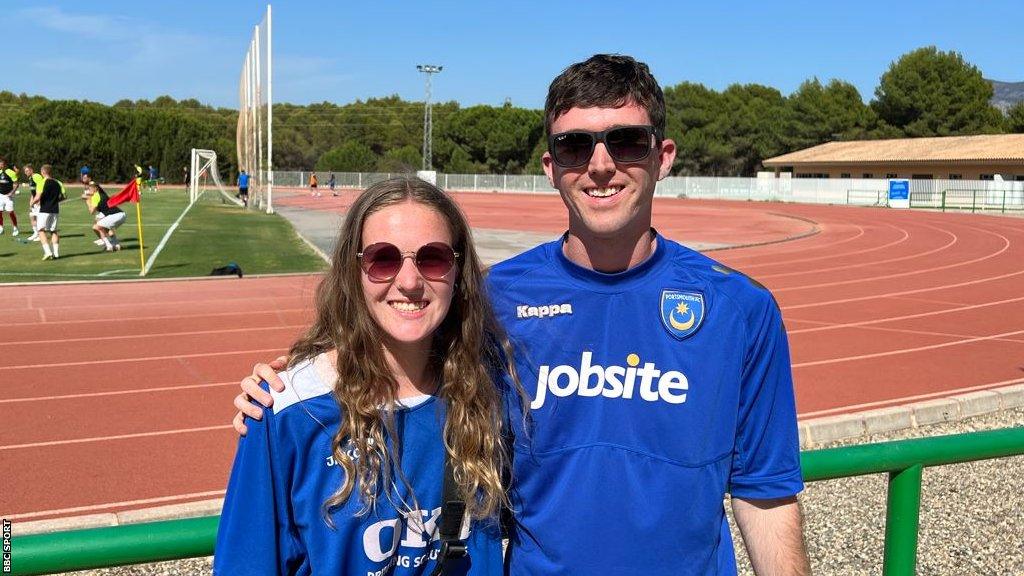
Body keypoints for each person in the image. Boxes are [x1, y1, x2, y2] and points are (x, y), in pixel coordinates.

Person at [234, 55, 809, 575]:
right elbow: (397, 335)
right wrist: (285, 386)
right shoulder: (492, 300)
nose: (601, 165)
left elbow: (765, 494)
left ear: (663, 156)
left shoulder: (741, 309)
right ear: (550, 166)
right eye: (575, 146)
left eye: (627, 142)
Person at [216, 177, 515, 575]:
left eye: (433, 258)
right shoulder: (287, 409)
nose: (409, 282)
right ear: (353, 270)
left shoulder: (493, 390)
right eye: (384, 258)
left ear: (458, 271)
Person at [30, 164, 64, 260]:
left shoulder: (42, 182)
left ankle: (48, 252)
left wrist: (32, 204)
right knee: (53, 231)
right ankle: (56, 254)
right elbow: (63, 196)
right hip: (55, 210)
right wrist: (54, 201)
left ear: (43, 172)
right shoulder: (58, 183)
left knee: (40, 230)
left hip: (44, 210)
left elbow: (37, 197)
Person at [83, 180, 125, 251]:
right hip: (120, 214)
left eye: (91, 187)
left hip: (115, 215)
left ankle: (109, 246)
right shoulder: (101, 193)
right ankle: (117, 245)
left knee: (96, 227)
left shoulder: (96, 197)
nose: (89, 189)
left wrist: (87, 200)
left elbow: (92, 212)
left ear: (96, 188)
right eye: (89, 187)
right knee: (106, 228)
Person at [22, 164, 46, 242]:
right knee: (32, 216)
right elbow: (33, 191)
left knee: (39, 218)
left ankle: (41, 235)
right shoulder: (30, 178)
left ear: (31, 170)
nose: (26, 172)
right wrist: (31, 201)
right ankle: (36, 233)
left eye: (27, 171)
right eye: (25, 171)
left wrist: (39, 200)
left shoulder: (36, 177)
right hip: (35, 200)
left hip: (39, 201)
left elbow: (41, 189)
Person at [0, 158, 20, 235]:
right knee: (0, 211)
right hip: (0, 195)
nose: (0, 165)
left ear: (5, 164)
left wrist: (12, 192)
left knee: (10, 212)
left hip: (8, 196)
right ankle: (1, 228)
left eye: (1, 164)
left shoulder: (11, 172)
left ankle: (15, 228)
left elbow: (16, 184)